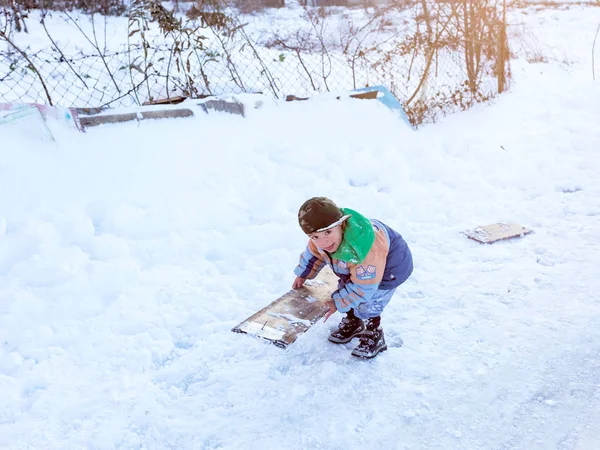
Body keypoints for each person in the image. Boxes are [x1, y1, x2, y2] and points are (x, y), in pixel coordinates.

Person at [293, 197, 413, 358]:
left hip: (390, 269)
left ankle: (374, 334)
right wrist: (303, 274)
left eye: (328, 232)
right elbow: (314, 253)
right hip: (358, 267)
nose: (323, 241)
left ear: (341, 224)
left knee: (369, 302)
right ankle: (353, 322)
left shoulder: (363, 248)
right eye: (315, 236)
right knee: (346, 286)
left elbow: (363, 288)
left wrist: (338, 302)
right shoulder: (323, 240)